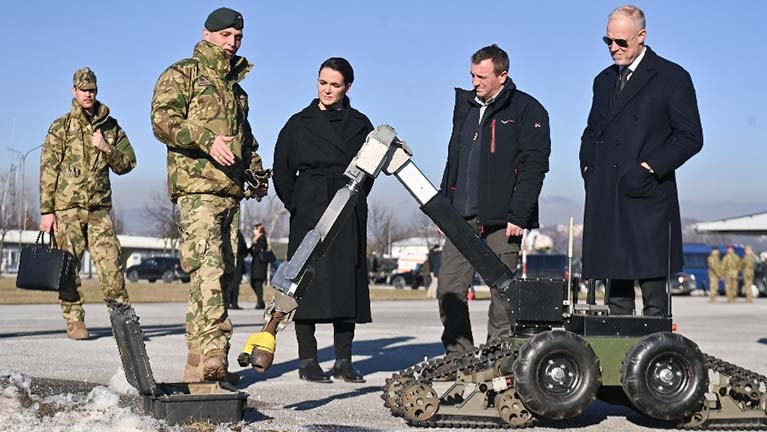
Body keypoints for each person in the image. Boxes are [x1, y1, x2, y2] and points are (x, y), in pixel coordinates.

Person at [150, 7, 267, 382]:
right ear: (207, 35)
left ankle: (199, 364)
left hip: (230, 192)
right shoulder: (183, 73)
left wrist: (256, 174)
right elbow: (161, 120)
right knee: (209, 269)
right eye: (226, 36)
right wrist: (203, 137)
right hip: (197, 189)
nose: (232, 43)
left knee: (224, 274)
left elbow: (245, 140)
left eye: (238, 38)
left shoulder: (236, 90)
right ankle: (216, 351)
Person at [579, 5, 703, 316]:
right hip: (607, 192)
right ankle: (617, 362)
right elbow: (592, 131)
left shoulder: (671, 76)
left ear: (642, 36)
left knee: (654, 299)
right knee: (616, 300)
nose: (613, 49)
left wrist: (648, 168)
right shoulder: (603, 80)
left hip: (647, 196)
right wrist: (588, 167)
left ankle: (656, 362)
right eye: (608, 41)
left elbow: (690, 137)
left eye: (621, 42)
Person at [437, 44, 550, 356]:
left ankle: (497, 358)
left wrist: (520, 214)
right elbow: (454, 161)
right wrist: (443, 211)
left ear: (503, 75)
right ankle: (459, 355)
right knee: (448, 289)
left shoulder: (528, 110)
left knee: (502, 294)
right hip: (460, 218)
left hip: (503, 220)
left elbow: (534, 165)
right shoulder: (466, 108)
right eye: (473, 75)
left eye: (482, 76)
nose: (475, 82)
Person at [273, 57, 373, 383]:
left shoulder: (361, 124)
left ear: (347, 87)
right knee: (306, 283)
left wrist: (354, 199)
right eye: (322, 82)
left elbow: (370, 170)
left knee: (347, 284)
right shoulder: (298, 123)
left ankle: (344, 360)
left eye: (335, 84)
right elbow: (282, 171)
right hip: (310, 208)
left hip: (347, 206)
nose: (327, 90)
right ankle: (308, 360)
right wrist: (298, 204)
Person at [39, 67, 136, 341]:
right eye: (83, 90)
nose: (88, 94)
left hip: (98, 211)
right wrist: (47, 211)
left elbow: (128, 163)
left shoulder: (110, 126)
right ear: (74, 91)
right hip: (67, 210)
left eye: (92, 89)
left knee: (111, 266)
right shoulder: (61, 127)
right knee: (67, 268)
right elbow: (48, 170)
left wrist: (107, 148)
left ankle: (123, 322)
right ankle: (74, 320)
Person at [224, 230, 247, 310]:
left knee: (233, 283)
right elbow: (244, 248)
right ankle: (232, 303)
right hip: (234, 261)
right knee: (233, 283)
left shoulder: (228, 232)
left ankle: (231, 303)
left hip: (232, 261)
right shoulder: (236, 233)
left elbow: (242, 247)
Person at [248, 223, 269, 310]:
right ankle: (261, 301)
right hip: (256, 265)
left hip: (260, 265)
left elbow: (256, 251)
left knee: (258, 283)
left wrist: (254, 244)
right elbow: (250, 251)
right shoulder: (256, 240)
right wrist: (253, 243)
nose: (254, 231)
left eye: (255, 229)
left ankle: (260, 303)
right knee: (253, 283)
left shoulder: (262, 238)